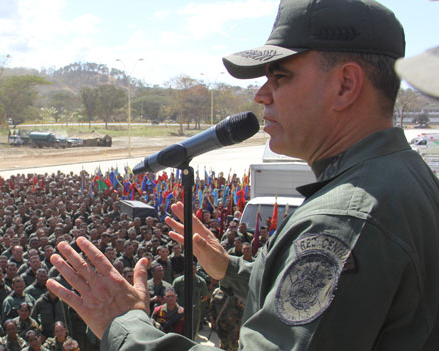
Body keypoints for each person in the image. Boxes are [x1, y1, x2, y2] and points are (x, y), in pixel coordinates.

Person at [46, 0, 439, 350]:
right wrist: (231, 269)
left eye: (280, 77)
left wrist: (126, 326)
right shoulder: (401, 174)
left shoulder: (345, 220)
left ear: (345, 85)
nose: (261, 94)